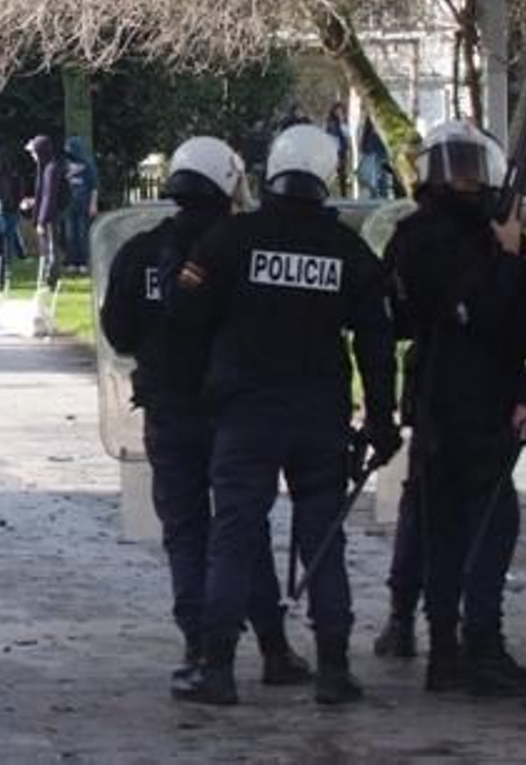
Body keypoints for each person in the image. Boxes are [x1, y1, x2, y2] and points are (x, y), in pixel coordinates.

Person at [170, 124, 399, 706]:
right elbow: (376, 339)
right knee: (322, 537)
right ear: (328, 176)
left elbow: (185, 320)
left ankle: (217, 668)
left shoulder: (230, 239)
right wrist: (380, 419)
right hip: (320, 416)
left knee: (236, 535)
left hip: (245, 415)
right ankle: (333, 668)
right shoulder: (346, 249)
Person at [100, 136, 311, 697]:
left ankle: (198, 646)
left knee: (186, 533)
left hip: (168, 412)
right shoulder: (239, 250)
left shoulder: (141, 251)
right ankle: (272, 647)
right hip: (233, 412)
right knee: (245, 531)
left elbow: (117, 332)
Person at [383, 120, 526, 697]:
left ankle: (457, 647)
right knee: (472, 526)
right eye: (455, 168)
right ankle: (466, 647)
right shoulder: (427, 239)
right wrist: (506, 259)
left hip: (484, 397)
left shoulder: (484, 235)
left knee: (463, 525)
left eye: (471, 167)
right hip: (453, 399)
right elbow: (470, 311)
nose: (465, 180)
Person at [25, 135, 69, 291]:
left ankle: (51, 281)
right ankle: (48, 279)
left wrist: (42, 221)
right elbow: (43, 195)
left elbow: (49, 197)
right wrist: (32, 203)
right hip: (49, 214)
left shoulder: (51, 169)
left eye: (34, 152)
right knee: (48, 248)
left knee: (51, 249)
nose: (32, 156)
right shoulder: (46, 168)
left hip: (51, 216)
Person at [63, 136, 99, 272]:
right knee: (70, 234)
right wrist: (70, 173)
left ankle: (83, 262)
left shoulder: (88, 163)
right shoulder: (65, 163)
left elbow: (94, 186)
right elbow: (60, 180)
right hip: (68, 204)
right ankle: (72, 262)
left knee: (82, 233)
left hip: (84, 204)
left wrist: (93, 204)